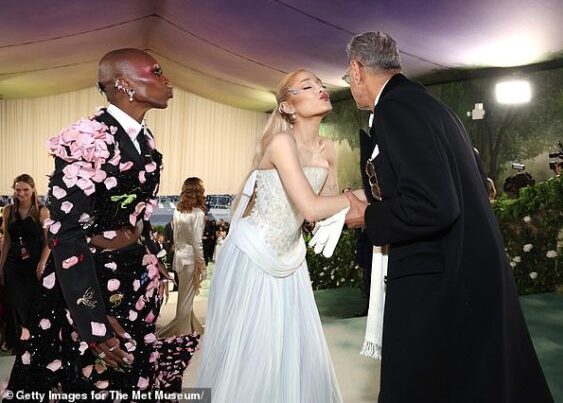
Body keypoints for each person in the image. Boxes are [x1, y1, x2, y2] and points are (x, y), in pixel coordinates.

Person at [343, 32, 553, 402]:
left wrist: (370, 217)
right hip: (467, 270)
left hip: (438, 278)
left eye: (348, 75)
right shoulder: (433, 108)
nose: (350, 82)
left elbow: (433, 204)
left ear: (358, 70)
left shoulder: (394, 110)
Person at [5, 48, 198, 396]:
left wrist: (151, 255)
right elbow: (66, 232)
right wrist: (92, 322)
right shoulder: (85, 140)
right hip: (89, 280)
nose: (167, 80)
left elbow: (137, 213)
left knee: (132, 372)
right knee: (86, 376)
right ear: (124, 83)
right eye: (156, 72)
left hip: (133, 279)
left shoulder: (146, 140)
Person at [193, 69, 353, 402]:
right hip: (254, 254)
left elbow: (326, 210)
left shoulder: (329, 148)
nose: (320, 89)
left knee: (291, 350)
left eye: (321, 85)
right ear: (287, 107)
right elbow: (311, 207)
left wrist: (351, 203)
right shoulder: (281, 143)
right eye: (307, 86)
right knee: (255, 352)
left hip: (291, 258)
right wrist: (359, 198)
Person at [0, 175, 51, 352]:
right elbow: (6, 240)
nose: (21, 193)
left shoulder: (42, 211)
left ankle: (31, 338)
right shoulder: (8, 210)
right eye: (18, 190)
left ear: (33, 190)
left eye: (25, 190)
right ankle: (15, 338)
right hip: (13, 263)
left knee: (31, 302)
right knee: (11, 302)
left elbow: (48, 242)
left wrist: (42, 263)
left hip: (34, 263)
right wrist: (1, 267)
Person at [157, 177, 206, 337]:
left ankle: (189, 327)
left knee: (184, 296)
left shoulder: (177, 211)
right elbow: (197, 242)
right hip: (191, 260)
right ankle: (182, 332)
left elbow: (177, 238)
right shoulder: (198, 214)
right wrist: (202, 265)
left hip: (179, 258)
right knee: (186, 298)